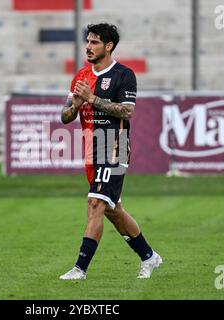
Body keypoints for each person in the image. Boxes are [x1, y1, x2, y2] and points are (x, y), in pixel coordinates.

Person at [59, 23, 162, 280]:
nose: (88, 46)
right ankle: (149, 257)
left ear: (108, 46)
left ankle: (79, 269)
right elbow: (65, 117)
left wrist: (93, 99)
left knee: (95, 203)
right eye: (88, 41)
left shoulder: (124, 75)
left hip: (114, 145)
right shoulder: (81, 76)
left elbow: (127, 111)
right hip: (90, 149)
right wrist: (77, 104)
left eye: (94, 42)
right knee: (113, 210)